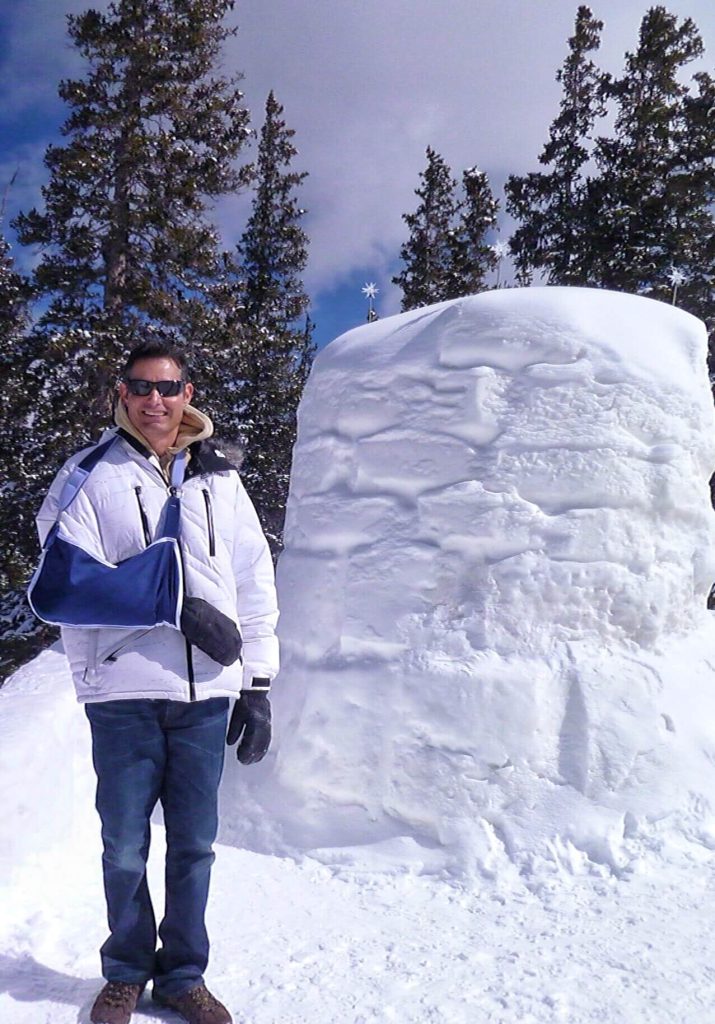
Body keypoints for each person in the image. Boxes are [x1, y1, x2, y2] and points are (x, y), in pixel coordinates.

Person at [35, 340, 279, 1024]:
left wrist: (257, 683)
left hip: (205, 698)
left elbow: (253, 580)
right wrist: (173, 606)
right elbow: (64, 584)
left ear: (186, 394)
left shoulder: (220, 482)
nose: (154, 401)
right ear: (122, 393)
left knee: (195, 845)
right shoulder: (87, 475)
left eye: (167, 387)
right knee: (124, 845)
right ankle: (125, 970)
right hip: (123, 694)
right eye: (140, 387)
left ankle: (182, 977)